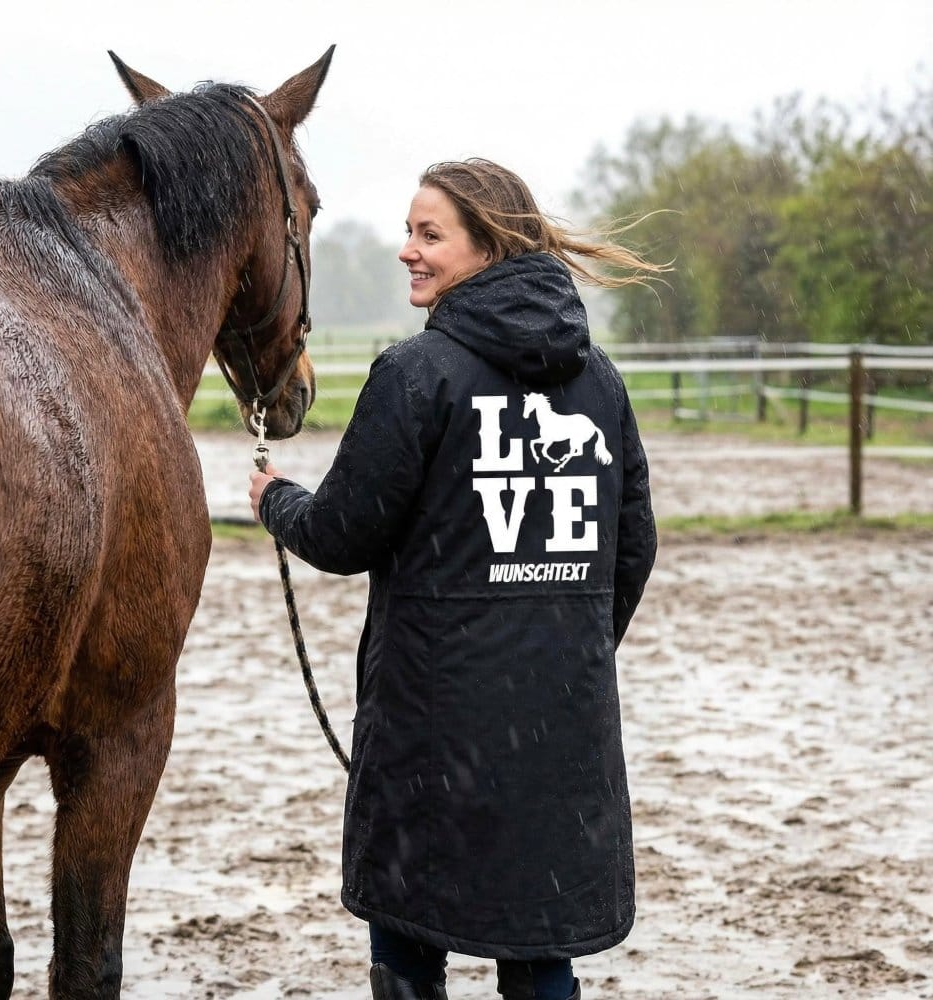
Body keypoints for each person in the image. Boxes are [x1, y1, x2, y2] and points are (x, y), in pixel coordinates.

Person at [248, 158, 661, 1000]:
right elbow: (634, 549)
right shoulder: (600, 381)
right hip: (557, 723)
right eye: (408, 230)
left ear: (490, 247)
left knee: (408, 943)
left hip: (427, 732)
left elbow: (339, 533)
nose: (407, 251)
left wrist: (275, 499)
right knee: (541, 947)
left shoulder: (416, 375)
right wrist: (559, 649)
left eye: (429, 234)